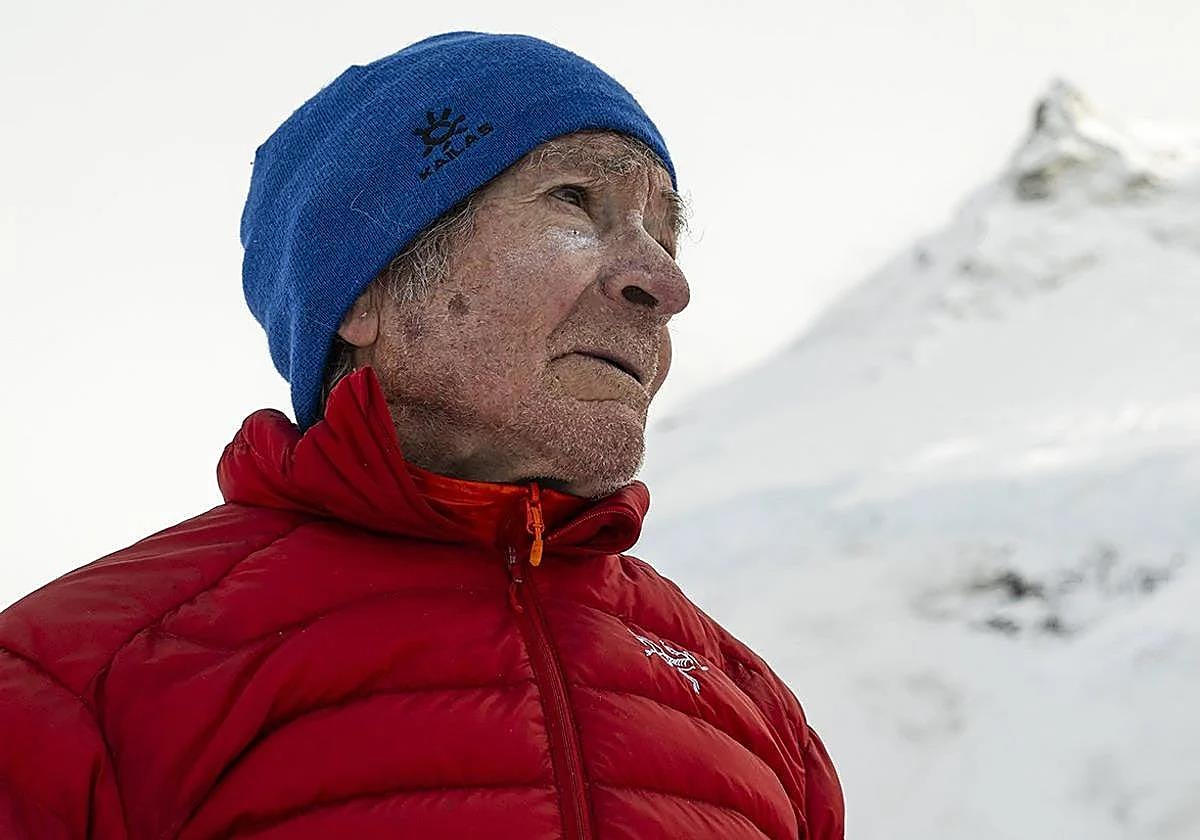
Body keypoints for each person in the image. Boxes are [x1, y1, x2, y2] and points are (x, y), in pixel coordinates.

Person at [0, 32, 844, 839]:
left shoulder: (759, 718)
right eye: (576, 201)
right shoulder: (75, 688)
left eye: (664, 235)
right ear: (364, 295)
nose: (665, 283)